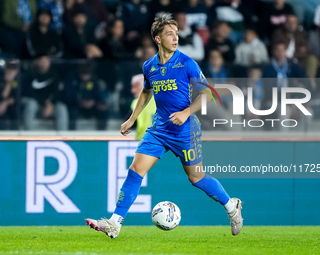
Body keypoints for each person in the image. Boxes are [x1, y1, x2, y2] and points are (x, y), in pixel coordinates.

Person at [85, 14, 243, 239]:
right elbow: (147, 91)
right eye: (170, 34)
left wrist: (186, 112)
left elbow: (208, 93)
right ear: (158, 39)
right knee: (135, 170)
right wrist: (132, 118)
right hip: (160, 129)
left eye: (177, 34)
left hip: (185, 129)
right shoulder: (149, 66)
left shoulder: (186, 62)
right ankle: (114, 223)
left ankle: (231, 206)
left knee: (196, 178)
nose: (175, 38)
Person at [130, 74, 156, 140]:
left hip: (143, 142)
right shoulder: (164, 101)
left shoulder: (136, 102)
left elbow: (129, 125)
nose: (132, 91)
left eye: (135, 87)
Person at [0, 59, 20, 130]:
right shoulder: (1, 79)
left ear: (16, 71)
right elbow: (4, 95)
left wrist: (6, 102)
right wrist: (8, 82)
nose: (10, 72)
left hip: (15, 108)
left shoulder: (19, 80)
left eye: (13, 70)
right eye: (9, 69)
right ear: (5, 69)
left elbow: (18, 97)